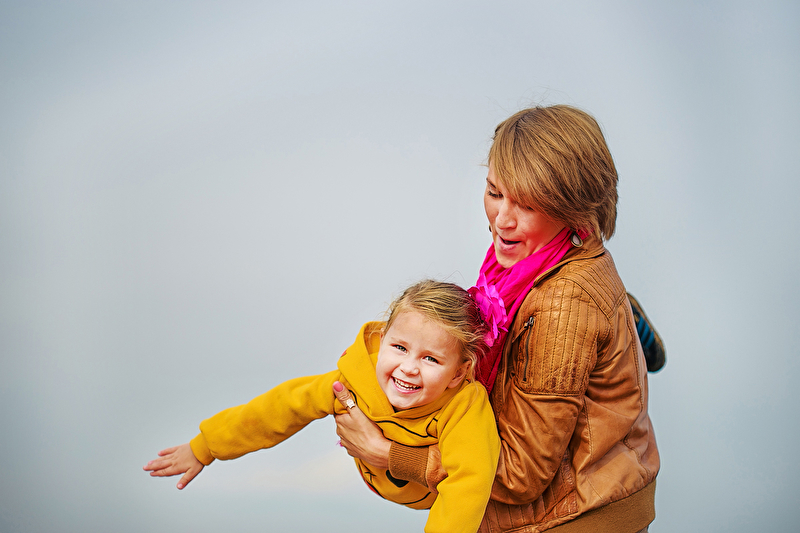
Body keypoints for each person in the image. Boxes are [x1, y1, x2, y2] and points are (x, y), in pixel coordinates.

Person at [333, 105, 660, 532]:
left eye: (526, 204)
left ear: (572, 206)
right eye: (494, 192)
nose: (502, 220)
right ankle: (620, 324)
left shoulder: (562, 307)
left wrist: (388, 453)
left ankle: (615, 327)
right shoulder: (531, 264)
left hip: (570, 519)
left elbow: (522, 474)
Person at [143, 280, 501, 533]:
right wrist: (205, 446)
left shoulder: (464, 406)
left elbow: (468, 482)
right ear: (381, 340)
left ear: (459, 373)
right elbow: (282, 406)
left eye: (430, 359)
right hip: (377, 479)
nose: (409, 367)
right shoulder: (353, 380)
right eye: (400, 348)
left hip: (425, 493)